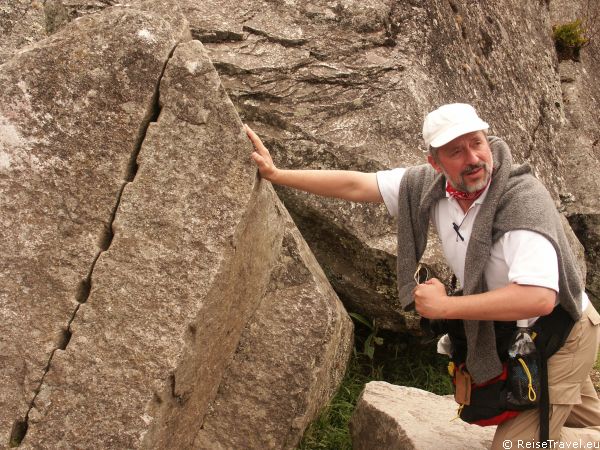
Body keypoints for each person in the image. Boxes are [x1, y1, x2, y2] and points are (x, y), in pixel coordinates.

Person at [245, 103, 600, 447]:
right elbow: (358, 186)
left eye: (477, 143)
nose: (473, 158)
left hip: (563, 330)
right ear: (435, 162)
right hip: (527, 334)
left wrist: (445, 307)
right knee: (586, 415)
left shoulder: (520, 200)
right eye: (456, 151)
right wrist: (277, 175)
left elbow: (538, 297)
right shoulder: (429, 187)